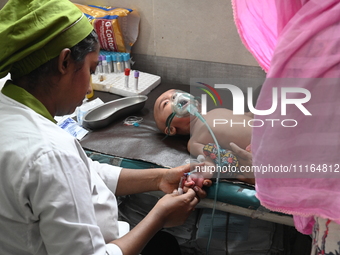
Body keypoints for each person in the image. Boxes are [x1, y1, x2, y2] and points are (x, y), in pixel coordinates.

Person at [0, 1, 210, 254]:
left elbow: (84, 173)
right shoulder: (49, 152)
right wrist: (159, 217)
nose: (90, 87)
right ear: (65, 61)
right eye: (90, 69)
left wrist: (160, 177)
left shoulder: (15, 117)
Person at [231, 0, 340, 254]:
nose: (174, 100)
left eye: (168, 95)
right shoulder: (201, 128)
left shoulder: (314, 37)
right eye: (165, 106)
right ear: (170, 129)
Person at [153, 89, 255, 184]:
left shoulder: (217, 110)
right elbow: (211, 159)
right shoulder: (194, 141)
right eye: (165, 103)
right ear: (171, 129)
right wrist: (202, 173)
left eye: (176, 94)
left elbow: (248, 116)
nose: (175, 97)